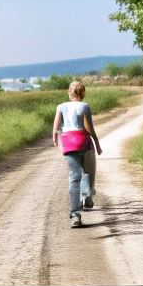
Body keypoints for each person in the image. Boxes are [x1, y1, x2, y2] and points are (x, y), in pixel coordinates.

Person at [51, 81, 103, 227]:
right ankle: (87, 195)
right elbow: (90, 128)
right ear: (83, 93)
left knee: (74, 177)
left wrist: (56, 141)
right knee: (88, 172)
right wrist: (97, 144)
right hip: (83, 141)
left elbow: (55, 129)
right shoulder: (84, 106)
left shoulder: (61, 107)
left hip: (68, 144)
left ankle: (75, 215)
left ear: (69, 92)